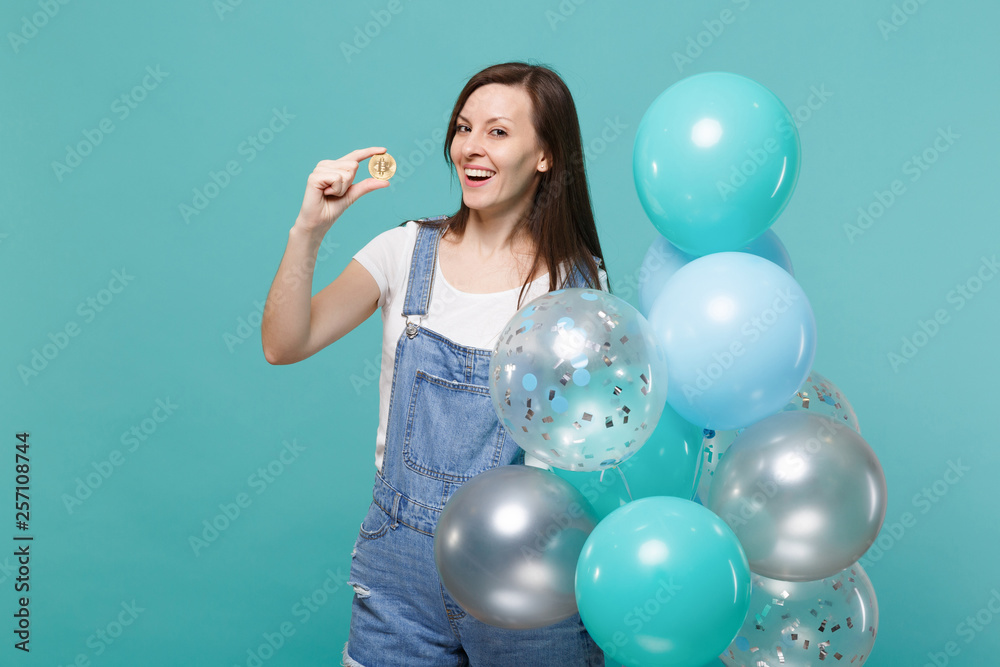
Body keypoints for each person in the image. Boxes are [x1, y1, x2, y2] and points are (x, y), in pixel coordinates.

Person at [261, 61, 609, 666]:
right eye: (463, 128)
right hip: (399, 569)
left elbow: (584, 454)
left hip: (524, 569)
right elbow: (284, 343)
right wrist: (308, 231)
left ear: (545, 155)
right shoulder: (404, 251)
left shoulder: (575, 287)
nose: (471, 147)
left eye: (498, 132)